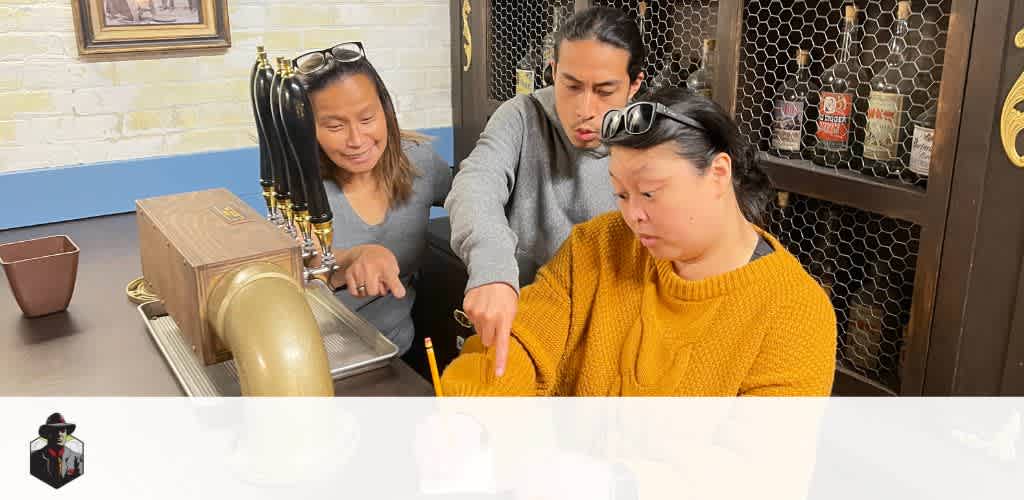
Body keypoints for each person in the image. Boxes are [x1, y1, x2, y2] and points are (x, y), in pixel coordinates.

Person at [440, 88, 837, 396]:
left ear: (718, 174)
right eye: (621, 194)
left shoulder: (795, 312)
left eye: (649, 193)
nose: (633, 216)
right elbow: (521, 345)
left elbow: (761, 473)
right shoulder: (597, 246)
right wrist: (469, 419)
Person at [445, 7, 645, 377]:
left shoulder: (654, 134)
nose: (585, 110)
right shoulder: (522, 115)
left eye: (604, 91)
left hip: (614, 346)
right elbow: (476, 183)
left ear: (634, 85)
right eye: (570, 86)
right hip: (527, 329)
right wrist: (492, 270)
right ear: (552, 71)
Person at [296, 42, 452, 356]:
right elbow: (310, 269)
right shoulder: (298, 188)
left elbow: (474, 198)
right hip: (321, 355)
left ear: (386, 112)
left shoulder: (419, 161)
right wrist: (355, 256)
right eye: (335, 126)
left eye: (367, 119)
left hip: (397, 352)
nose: (356, 140)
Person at [30, 413, 83, 488]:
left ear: (66, 434)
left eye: (63, 431)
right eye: (55, 430)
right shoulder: (34, 457)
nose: (59, 434)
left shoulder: (77, 458)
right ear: (47, 433)